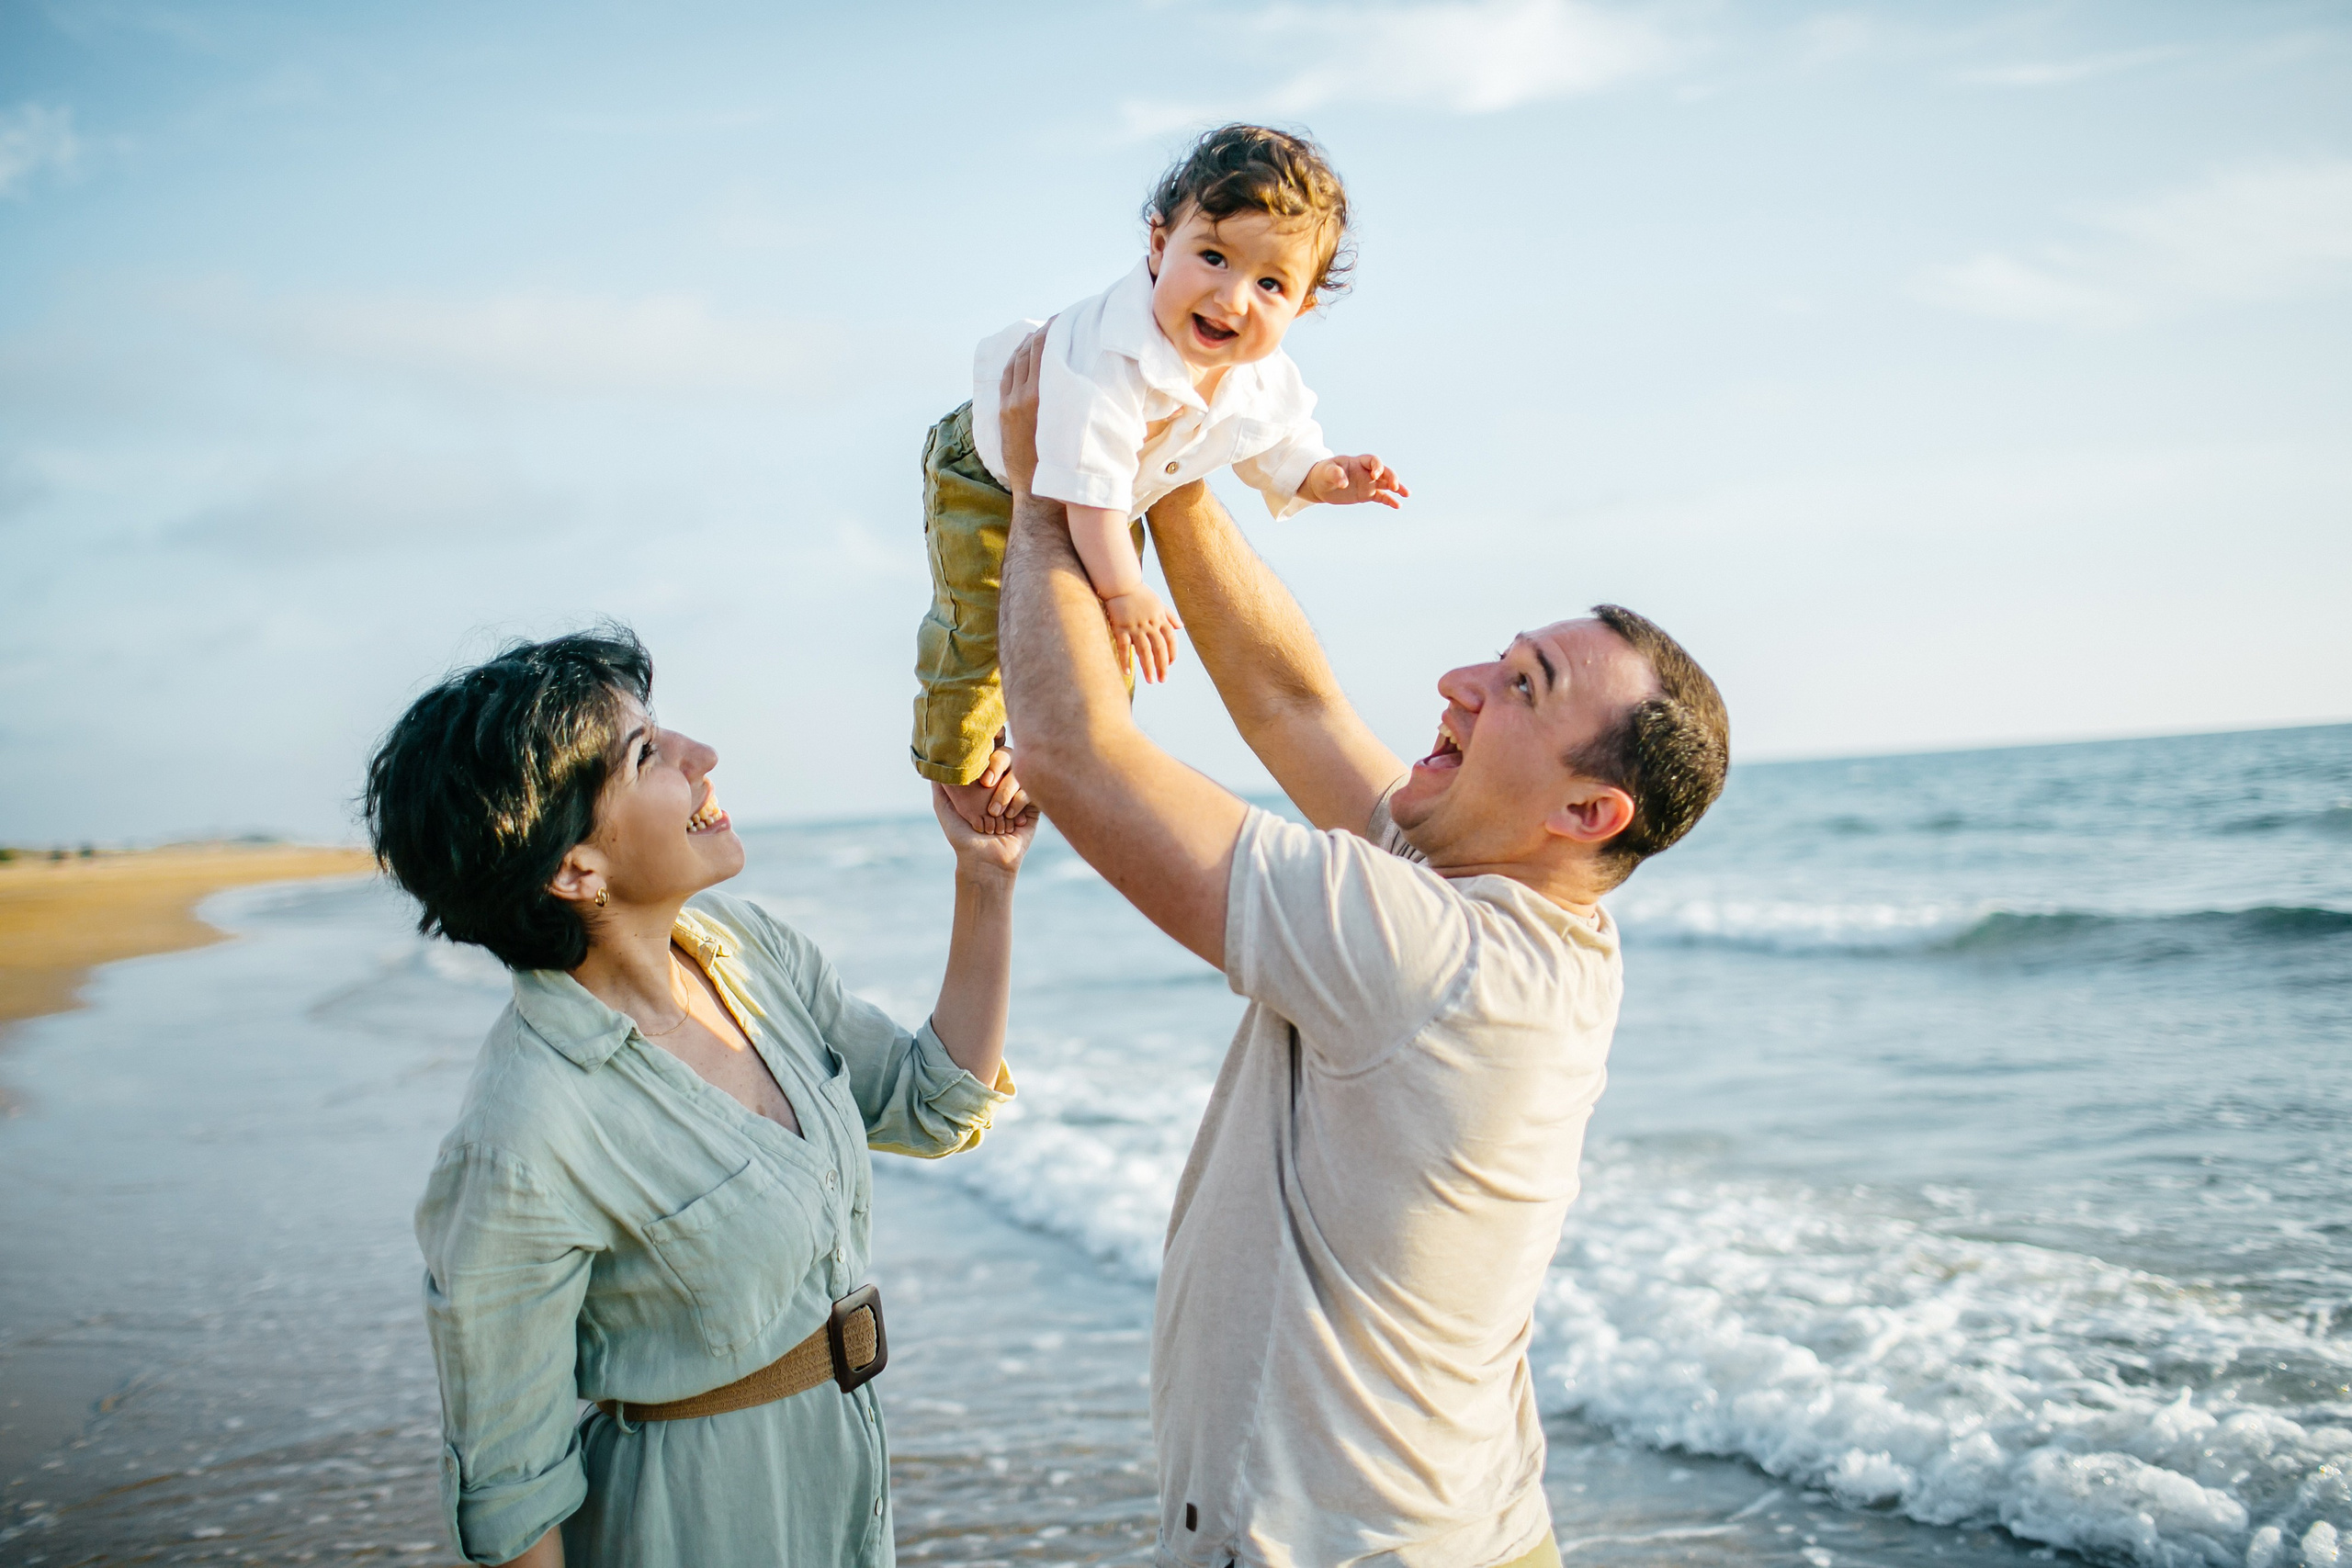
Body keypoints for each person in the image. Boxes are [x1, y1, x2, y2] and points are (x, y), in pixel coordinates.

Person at [990, 335, 1731, 1567]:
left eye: (1520, 686)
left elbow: (1073, 750)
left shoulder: (1437, 956)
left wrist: (1041, 480)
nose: (1456, 683)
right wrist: (1169, 451)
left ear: (1587, 813)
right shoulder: (1506, 904)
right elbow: (1292, 700)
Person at [366, 627, 1033, 1567]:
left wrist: (986, 878)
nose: (701, 757)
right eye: (646, 754)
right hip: (691, 1524)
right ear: (573, 870)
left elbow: (929, 1103)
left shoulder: (743, 950)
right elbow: (510, 1493)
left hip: (847, 1486)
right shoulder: (522, 1134)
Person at [912, 122, 1408, 835]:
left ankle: (1044, 758)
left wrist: (1327, 475)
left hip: (1118, 497)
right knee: (977, 619)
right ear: (1157, 245)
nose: (1233, 298)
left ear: (1302, 307)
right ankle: (953, 763)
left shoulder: (1259, 371)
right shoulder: (1111, 352)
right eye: (1212, 257)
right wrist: (1123, 589)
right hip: (991, 474)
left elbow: (1279, 439)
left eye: (1271, 283)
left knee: (1111, 657)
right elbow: (1081, 490)